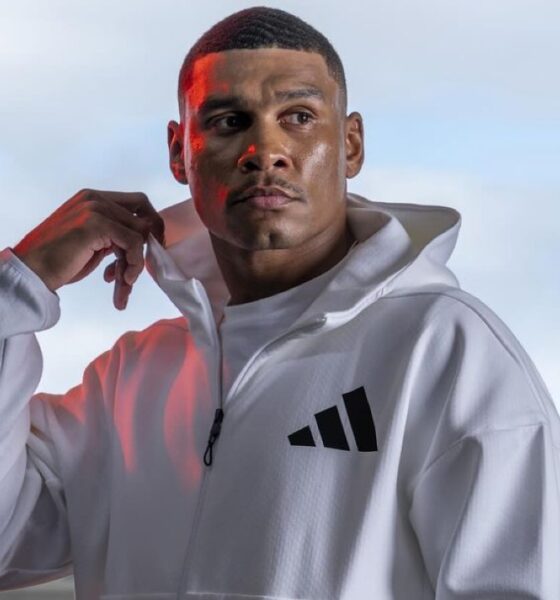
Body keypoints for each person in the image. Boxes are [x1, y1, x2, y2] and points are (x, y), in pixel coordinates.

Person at [1, 5, 559, 599]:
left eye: (298, 116)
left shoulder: (445, 350)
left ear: (350, 144)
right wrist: (18, 286)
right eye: (228, 120)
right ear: (179, 152)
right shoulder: (128, 380)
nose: (264, 149)